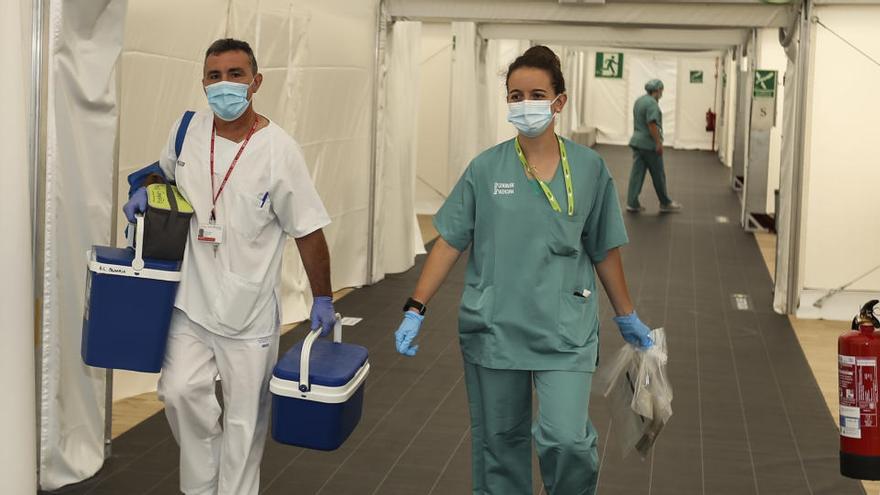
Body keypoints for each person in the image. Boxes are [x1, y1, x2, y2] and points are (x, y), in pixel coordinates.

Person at [392, 46, 654, 495]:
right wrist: (415, 307)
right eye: (515, 95)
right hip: (495, 329)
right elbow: (450, 240)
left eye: (536, 94)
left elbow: (603, 248)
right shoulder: (486, 168)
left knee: (567, 440)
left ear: (559, 101)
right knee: (500, 444)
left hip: (564, 332)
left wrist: (626, 314)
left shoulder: (589, 169)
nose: (524, 103)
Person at [123, 38, 335, 495]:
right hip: (190, 302)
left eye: (235, 75)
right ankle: (200, 487)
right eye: (214, 76)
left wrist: (322, 296)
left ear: (255, 82)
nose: (224, 85)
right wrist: (146, 188)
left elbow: (308, 229)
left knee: (243, 422)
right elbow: (164, 171)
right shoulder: (187, 129)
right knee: (179, 393)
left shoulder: (279, 150)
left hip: (250, 309)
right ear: (203, 82)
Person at [626, 79, 682, 213]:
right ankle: (665, 202)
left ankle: (632, 203)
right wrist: (658, 143)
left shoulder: (639, 101)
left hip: (637, 142)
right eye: (661, 90)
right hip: (649, 145)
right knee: (658, 175)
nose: (662, 93)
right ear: (656, 91)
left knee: (637, 175)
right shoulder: (652, 105)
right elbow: (651, 125)